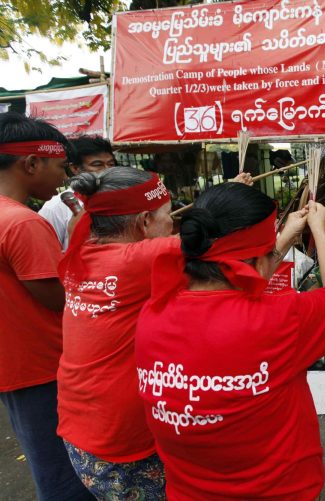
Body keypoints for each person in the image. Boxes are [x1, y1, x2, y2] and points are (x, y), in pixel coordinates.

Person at [135, 184, 325, 500]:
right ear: (261, 263)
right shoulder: (279, 320)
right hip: (281, 491)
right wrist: (319, 231)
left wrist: (284, 236)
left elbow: (237, 283)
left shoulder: (151, 315)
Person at [56, 166, 176, 499]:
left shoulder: (82, 249)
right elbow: (223, 244)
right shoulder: (138, 259)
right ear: (144, 222)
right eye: (168, 215)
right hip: (119, 437)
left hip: (81, 423)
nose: (173, 223)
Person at [0, 112, 93, 500]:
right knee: (65, 475)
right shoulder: (22, 223)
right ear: (32, 163)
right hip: (43, 367)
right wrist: (78, 241)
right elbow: (61, 299)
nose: (64, 179)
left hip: (16, 364)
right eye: (59, 166)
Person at [39, 136, 117, 249]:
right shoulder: (55, 208)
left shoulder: (121, 198)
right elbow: (48, 253)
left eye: (111, 164)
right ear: (75, 168)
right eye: (97, 164)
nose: (107, 170)